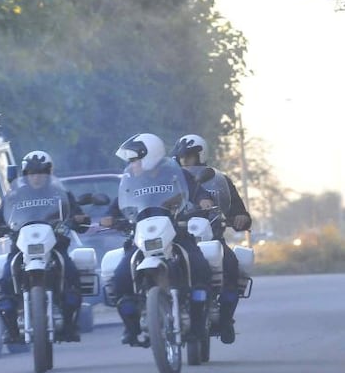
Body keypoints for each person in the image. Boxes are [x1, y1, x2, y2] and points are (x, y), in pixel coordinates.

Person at [101, 133, 214, 346]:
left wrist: (203, 200)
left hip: (176, 234)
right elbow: (118, 203)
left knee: (200, 268)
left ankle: (199, 323)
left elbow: (197, 191)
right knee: (120, 278)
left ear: (150, 155)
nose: (132, 164)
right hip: (141, 238)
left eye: (135, 159)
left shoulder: (176, 173)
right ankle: (132, 327)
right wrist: (109, 216)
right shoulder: (130, 179)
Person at [0, 151, 90, 343]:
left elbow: (76, 214)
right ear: (25, 175)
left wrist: (79, 218)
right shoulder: (14, 196)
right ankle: (11, 330)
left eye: (41, 172)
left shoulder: (61, 194)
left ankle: (70, 324)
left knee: (71, 273)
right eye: (32, 173)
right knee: (6, 278)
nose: (36, 177)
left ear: (49, 173)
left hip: (54, 246)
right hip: (21, 249)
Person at [171, 133, 252, 344]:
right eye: (181, 157)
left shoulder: (219, 180)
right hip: (179, 238)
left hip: (212, 239)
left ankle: (225, 320)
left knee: (231, 266)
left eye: (189, 156)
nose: (185, 161)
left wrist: (241, 218)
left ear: (201, 155)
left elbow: (238, 211)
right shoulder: (171, 180)